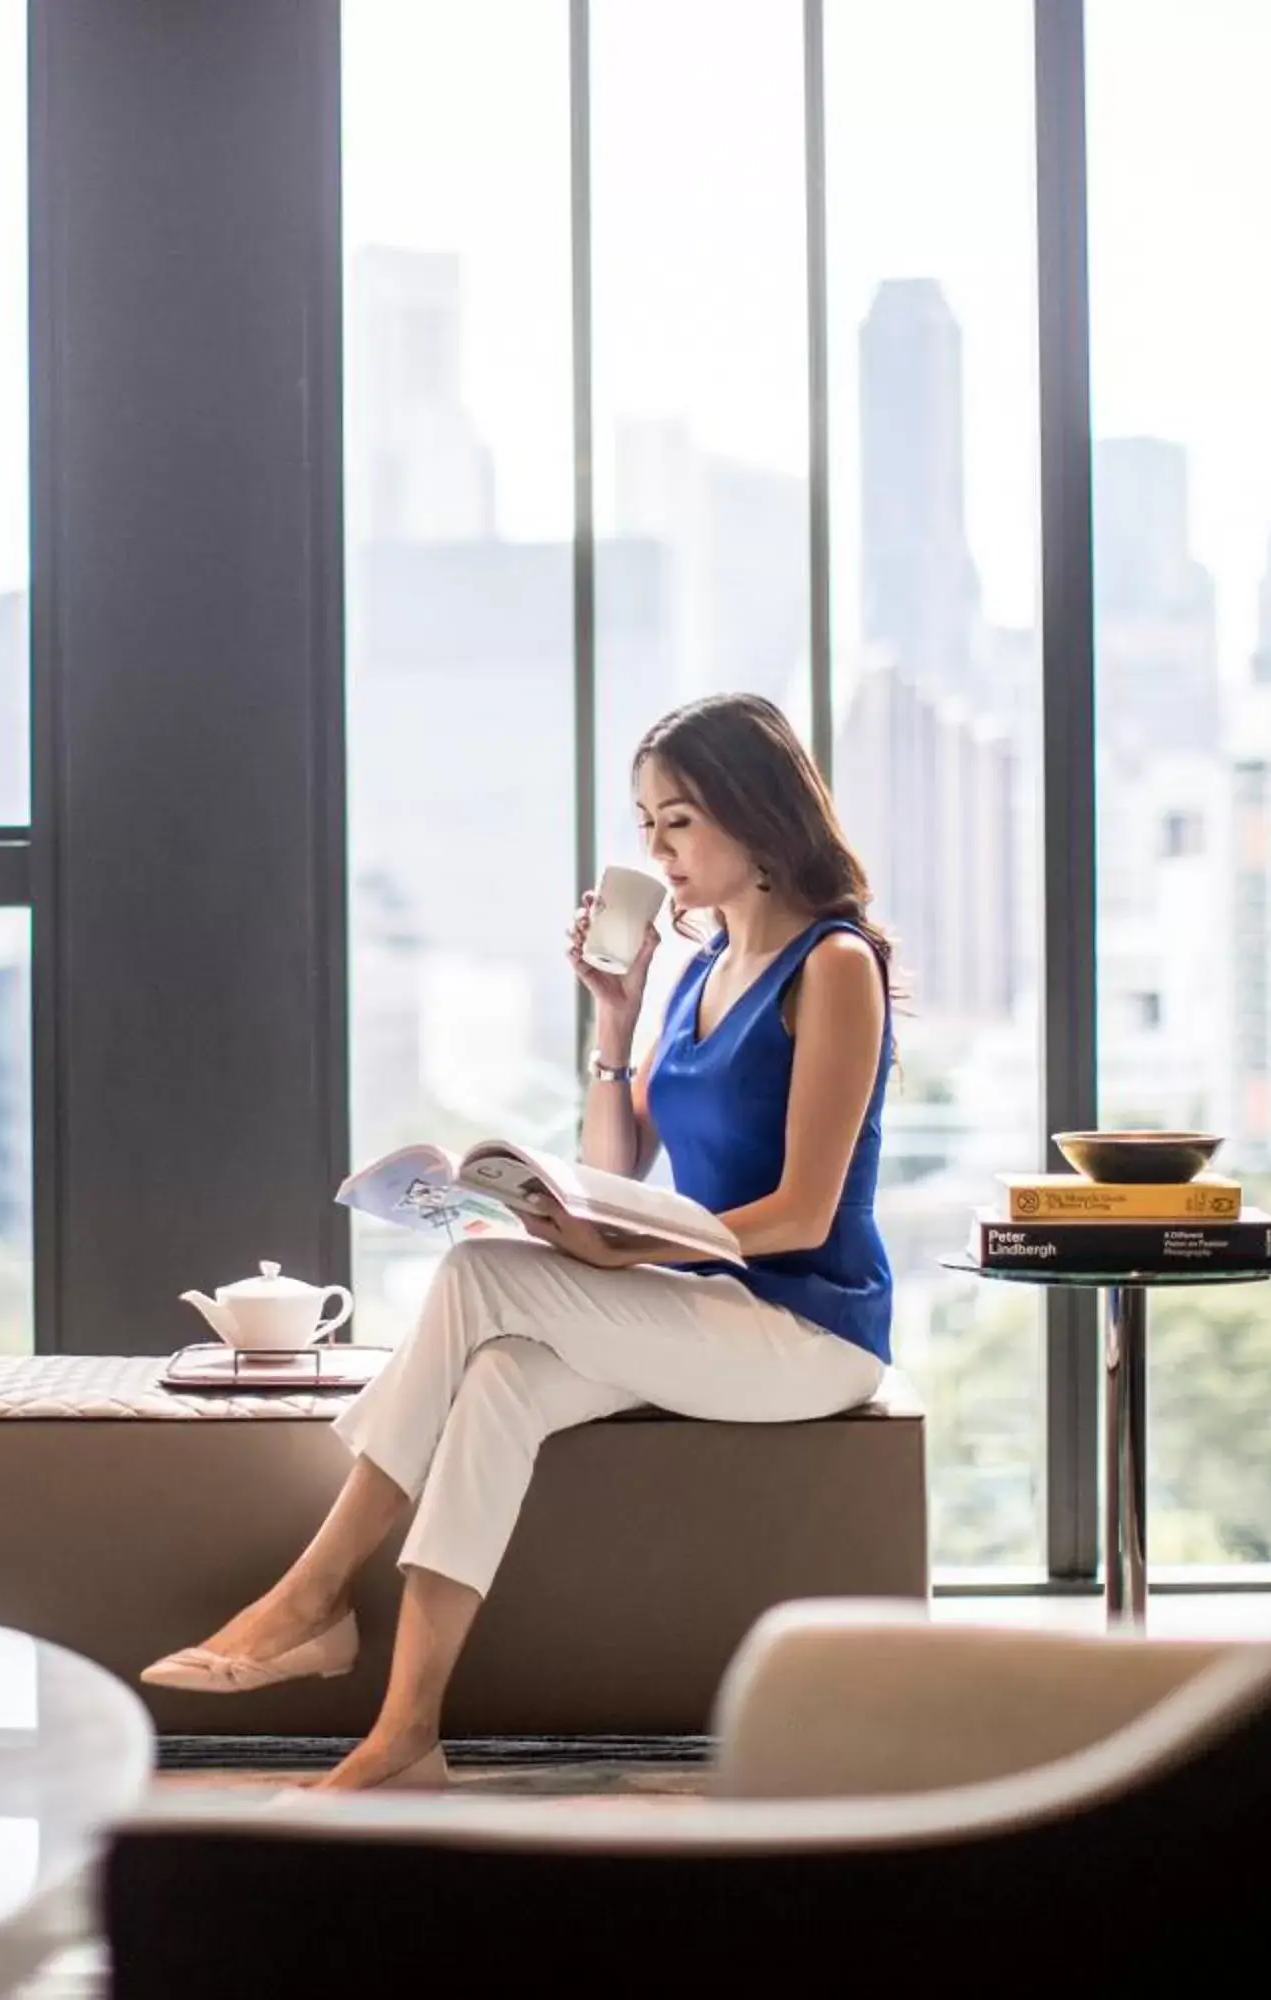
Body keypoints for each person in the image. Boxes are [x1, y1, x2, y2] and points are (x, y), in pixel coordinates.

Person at [142, 691, 898, 1790]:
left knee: (483, 1271)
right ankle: (404, 1736)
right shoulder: (696, 971)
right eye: (646, 823)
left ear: (756, 810)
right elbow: (618, 1168)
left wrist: (618, 1255)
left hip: (806, 1329)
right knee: (499, 1375)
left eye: (679, 820)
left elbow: (802, 1213)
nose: (656, 849)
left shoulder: (834, 965)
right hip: (707, 1311)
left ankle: (313, 1592)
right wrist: (613, 1016)